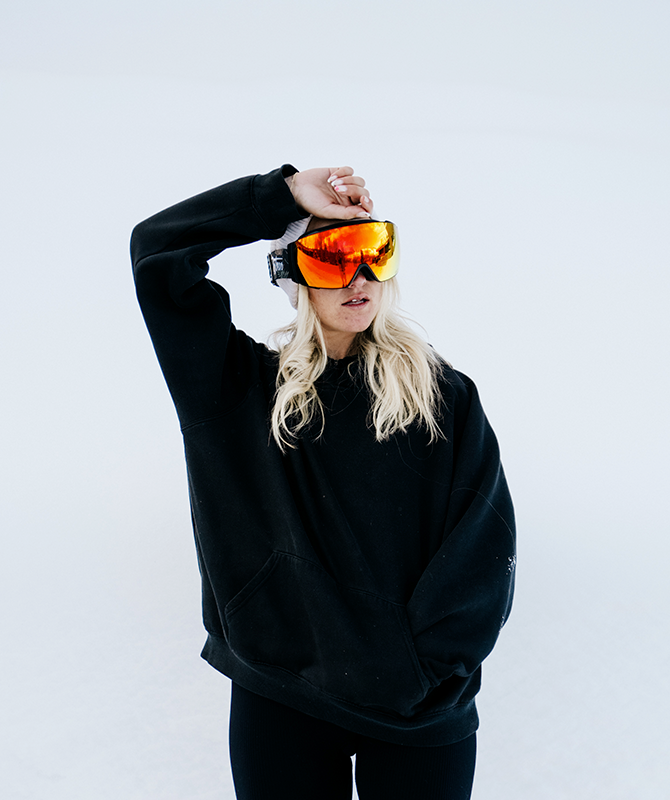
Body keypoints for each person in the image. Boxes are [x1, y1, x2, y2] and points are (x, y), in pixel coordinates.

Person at [130, 165, 516, 800]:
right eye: (331, 258)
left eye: (372, 251)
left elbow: (483, 543)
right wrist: (278, 200)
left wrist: (420, 668)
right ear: (291, 275)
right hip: (283, 692)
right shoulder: (234, 390)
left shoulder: (441, 395)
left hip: (419, 708)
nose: (358, 276)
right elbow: (157, 250)